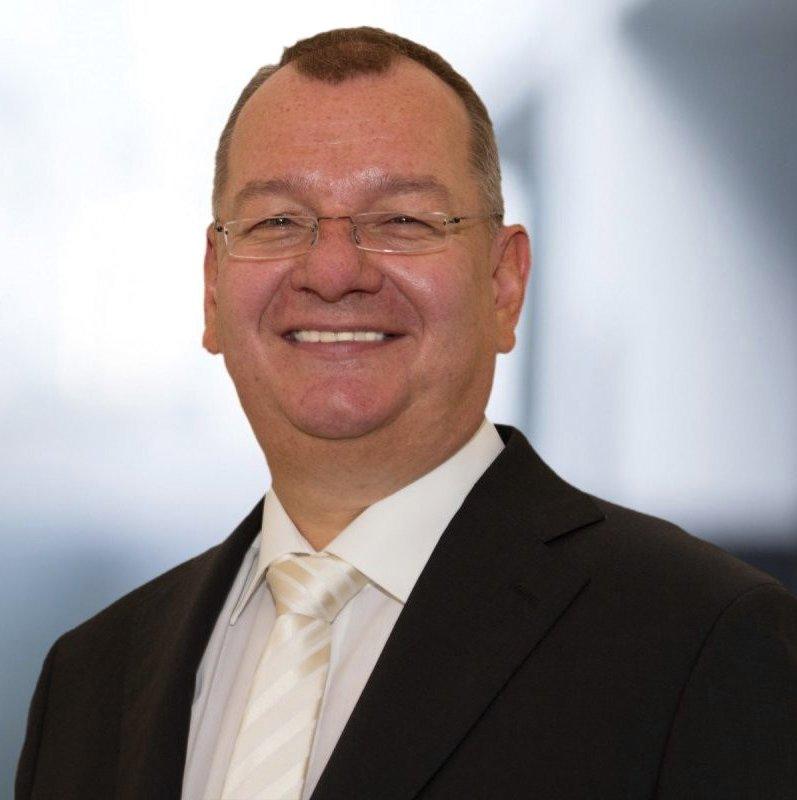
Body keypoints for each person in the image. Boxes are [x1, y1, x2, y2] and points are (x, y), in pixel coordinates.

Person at [16, 26, 797, 800]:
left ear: (504, 283)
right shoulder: (91, 678)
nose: (331, 270)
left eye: (401, 221)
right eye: (277, 221)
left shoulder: (703, 641)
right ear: (213, 288)